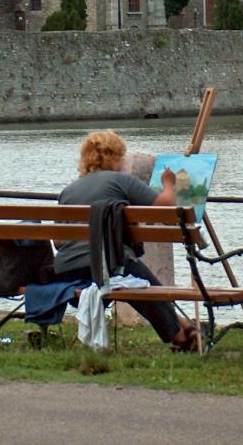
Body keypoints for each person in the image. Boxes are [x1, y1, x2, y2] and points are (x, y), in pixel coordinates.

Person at [53, 130, 199, 351]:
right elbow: (166, 209)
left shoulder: (68, 191)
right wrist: (168, 183)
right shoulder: (121, 181)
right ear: (116, 157)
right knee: (143, 282)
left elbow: (58, 242)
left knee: (137, 278)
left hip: (68, 269)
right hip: (107, 267)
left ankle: (183, 327)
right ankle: (180, 335)